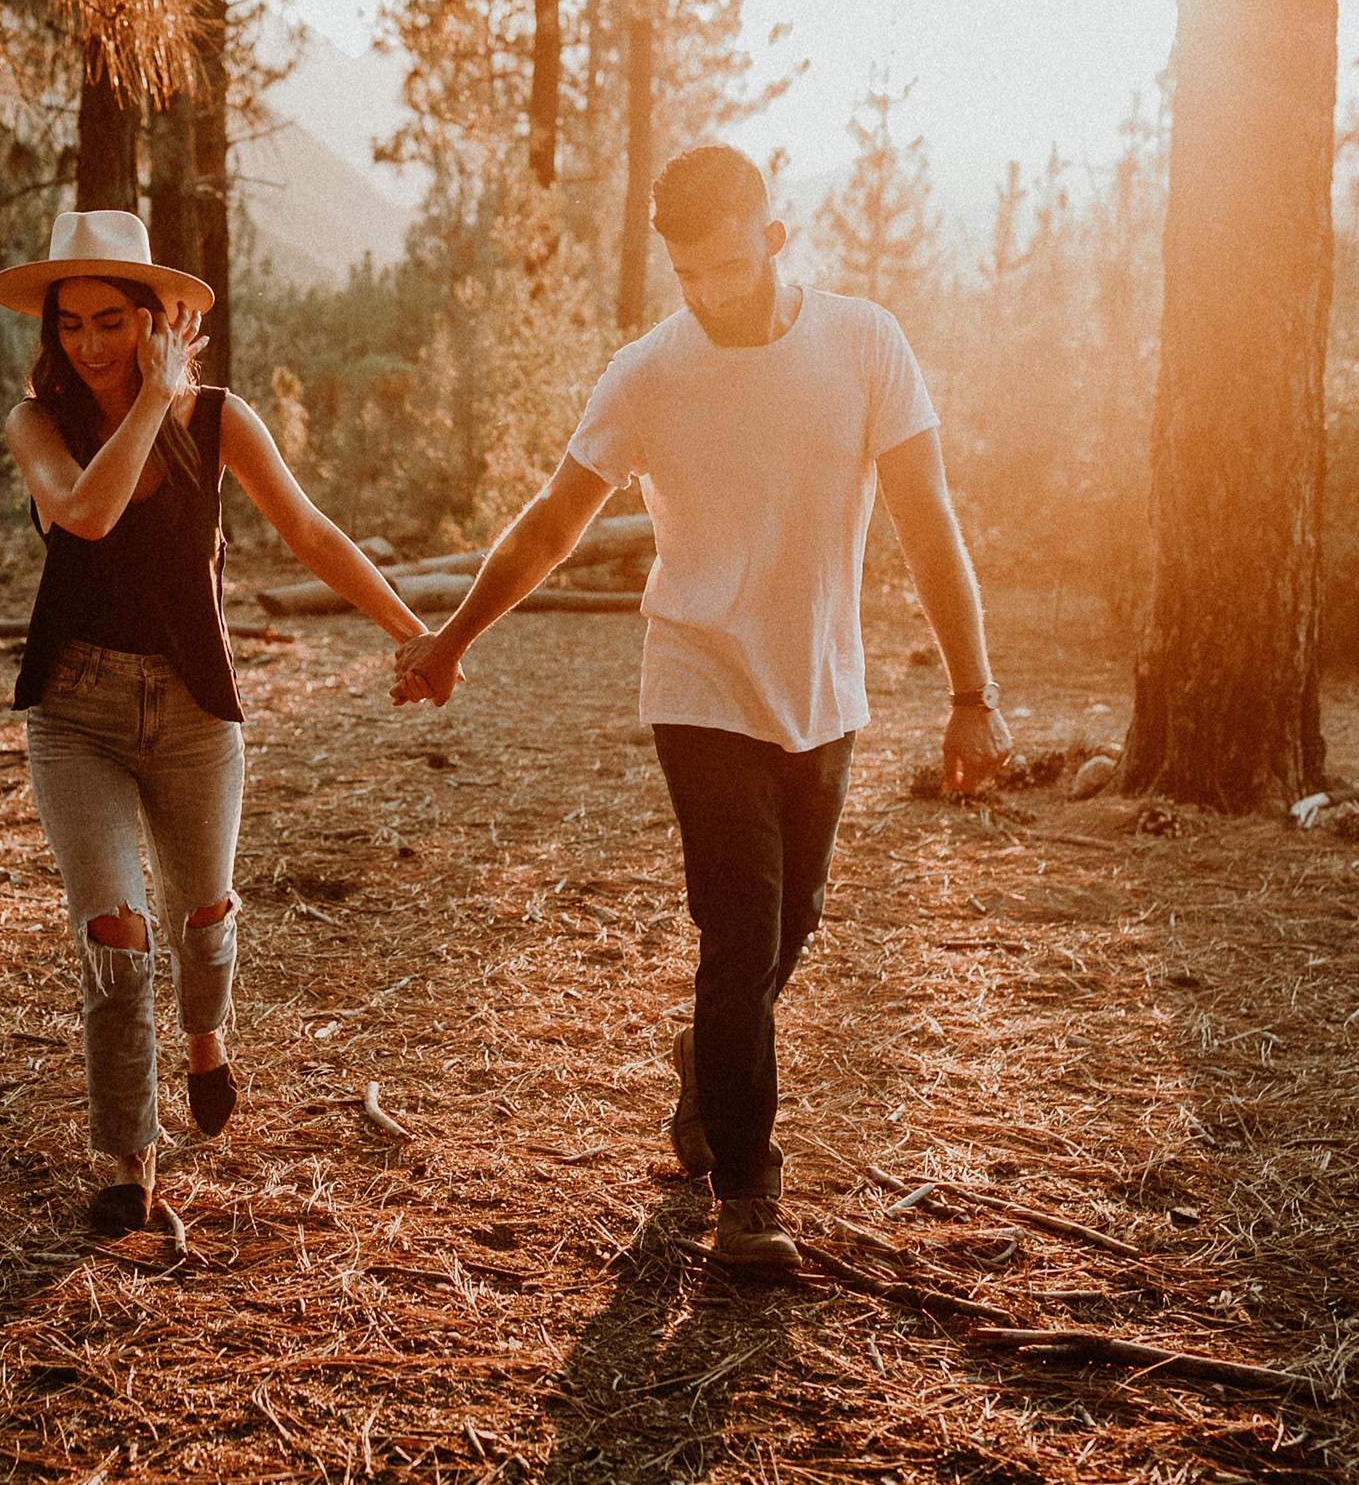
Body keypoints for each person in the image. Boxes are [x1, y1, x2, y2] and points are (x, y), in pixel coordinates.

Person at [393, 145, 1012, 1272]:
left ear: (775, 238)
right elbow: (550, 522)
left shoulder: (864, 342)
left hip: (822, 684)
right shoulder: (647, 374)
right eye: (691, 275)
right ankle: (746, 1193)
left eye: (730, 264)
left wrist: (973, 693)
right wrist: (451, 637)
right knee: (737, 940)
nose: (713, 293)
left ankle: (708, 1060)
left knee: (788, 931)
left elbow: (929, 523)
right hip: (698, 679)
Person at [0, 210, 428, 1234]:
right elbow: (86, 515)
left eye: (113, 321)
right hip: (76, 713)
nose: (90, 345)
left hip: (193, 709)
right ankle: (128, 1156)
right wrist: (151, 397)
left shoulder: (222, 419)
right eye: (72, 326)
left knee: (202, 912)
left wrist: (415, 633)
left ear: (154, 319)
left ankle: (206, 1038)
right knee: (113, 930)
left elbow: (312, 531)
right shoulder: (36, 424)